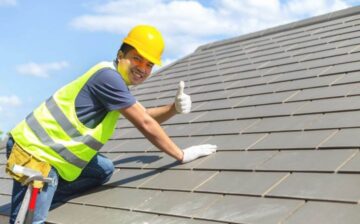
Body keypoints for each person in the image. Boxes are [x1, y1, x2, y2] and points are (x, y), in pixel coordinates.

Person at [5, 24, 217, 223]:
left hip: (54, 154)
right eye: (137, 59)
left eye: (149, 64)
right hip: (36, 153)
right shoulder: (108, 78)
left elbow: (143, 115)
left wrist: (173, 109)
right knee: (30, 220)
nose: (143, 68)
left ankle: (45, 193)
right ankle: (37, 198)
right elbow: (144, 122)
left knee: (103, 170)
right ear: (120, 55)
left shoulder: (115, 81)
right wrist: (181, 155)